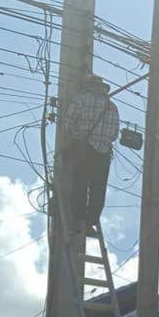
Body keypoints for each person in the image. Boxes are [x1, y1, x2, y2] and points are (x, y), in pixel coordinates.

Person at [63, 73, 120, 235]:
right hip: (103, 154)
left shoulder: (81, 99)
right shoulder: (112, 106)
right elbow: (114, 134)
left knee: (80, 185)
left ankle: (77, 221)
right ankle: (90, 223)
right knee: (98, 190)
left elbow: (68, 124)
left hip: (84, 149)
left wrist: (76, 137)